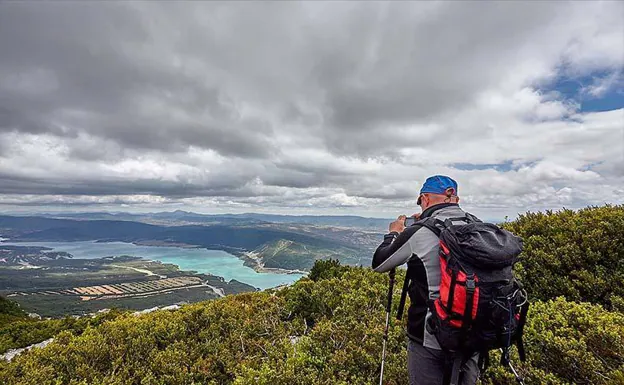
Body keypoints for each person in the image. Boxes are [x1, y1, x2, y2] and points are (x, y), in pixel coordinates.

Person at [372, 175, 480, 385]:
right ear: (455, 200)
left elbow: (380, 263)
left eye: (420, 201)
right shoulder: (477, 226)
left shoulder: (420, 231)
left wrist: (394, 234)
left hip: (430, 336)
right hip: (473, 335)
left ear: (425, 199)